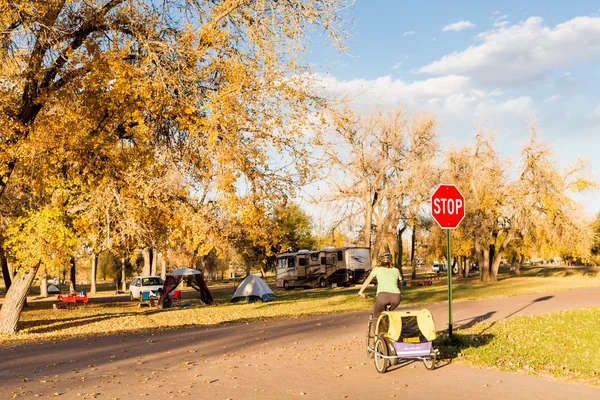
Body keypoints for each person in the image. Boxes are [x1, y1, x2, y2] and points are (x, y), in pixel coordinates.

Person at [358, 252, 402, 333]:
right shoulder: (396, 270)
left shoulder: (377, 269)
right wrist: (398, 293)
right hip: (396, 298)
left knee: (376, 316)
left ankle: (376, 337)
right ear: (391, 260)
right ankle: (390, 331)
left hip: (382, 297)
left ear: (380, 261)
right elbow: (399, 284)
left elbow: (367, 281)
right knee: (388, 313)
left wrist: (361, 291)